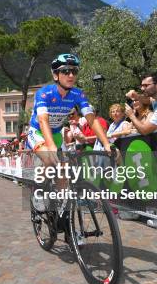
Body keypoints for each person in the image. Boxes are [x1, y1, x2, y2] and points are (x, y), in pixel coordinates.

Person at [27, 53, 112, 203]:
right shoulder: (44, 93)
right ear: (56, 75)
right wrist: (51, 146)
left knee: (63, 171)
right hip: (38, 132)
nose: (71, 75)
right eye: (66, 71)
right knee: (50, 161)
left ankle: (61, 205)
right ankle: (38, 192)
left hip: (56, 134)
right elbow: (43, 120)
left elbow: (92, 120)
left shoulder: (78, 94)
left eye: (74, 71)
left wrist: (106, 143)